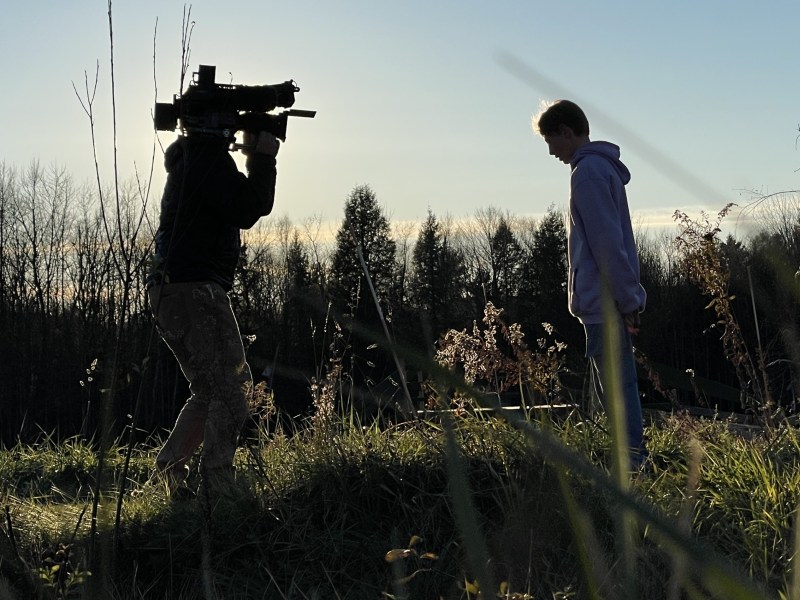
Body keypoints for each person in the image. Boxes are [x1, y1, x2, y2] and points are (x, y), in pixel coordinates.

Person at [147, 128, 280, 498]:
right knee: (232, 386)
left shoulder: (192, 159)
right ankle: (218, 483)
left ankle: (171, 473)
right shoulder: (206, 157)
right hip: (193, 288)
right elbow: (248, 207)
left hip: (171, 289)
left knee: (210, 388)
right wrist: (263, 158)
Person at [533, 99, 648, 469]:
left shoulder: (588, 173)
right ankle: (627, 462)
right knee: (616, 386)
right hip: (609, 301)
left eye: (551, 141)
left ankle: (629, 466)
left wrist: (628, 298)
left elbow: (606, 243)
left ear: (567, 132)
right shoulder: (598, 170)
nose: (551, 151)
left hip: (605, 303)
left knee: (614, 389)